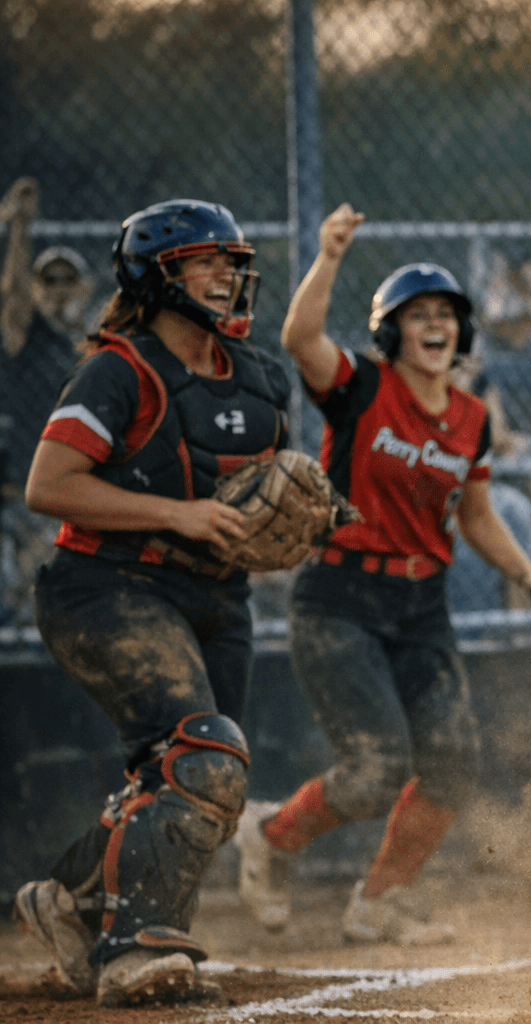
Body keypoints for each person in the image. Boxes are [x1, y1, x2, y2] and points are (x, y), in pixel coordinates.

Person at [233, 203, 531, 946]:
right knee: (378, 766)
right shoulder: (362, 383)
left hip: (420, 601)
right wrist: (328, 255)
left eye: (446, 312)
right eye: (418, 313)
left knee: (452, 762)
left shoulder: (471, 416)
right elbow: (299, 339)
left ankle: (379, 900)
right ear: (393, 330)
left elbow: (476, 515)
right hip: (341, 597)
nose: (435, 323)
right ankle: (271, 836)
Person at [12, 199, 284, 1006]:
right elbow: (47, 486)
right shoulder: (118, 368)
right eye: (207, 261)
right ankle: (131, 948)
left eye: (233, 261)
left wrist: (293, 529)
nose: (229, 276)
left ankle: (69, 898)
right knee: (198, 753)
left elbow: (264, 493)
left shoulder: (255, 373)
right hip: (104, 586)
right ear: (157, 277)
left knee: (207, 778)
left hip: (214, 593)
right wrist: (176, 515)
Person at [0, 177, 96, 625]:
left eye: (67, 279)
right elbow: (14, 296)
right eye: (48, 280)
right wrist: (20, 229)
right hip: (26, 492)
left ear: (85, 288)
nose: (58, 288)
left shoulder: (97, 346)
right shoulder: (28, 338)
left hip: (83, 492)